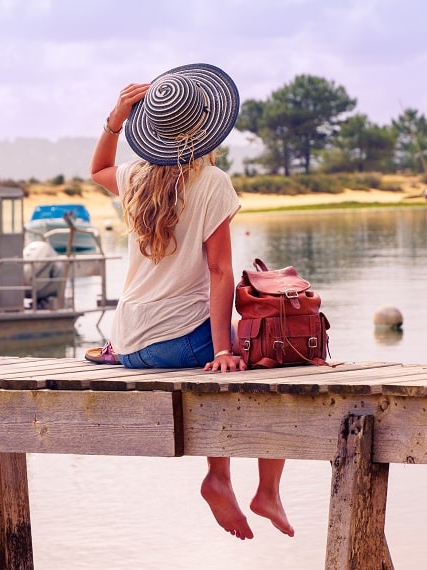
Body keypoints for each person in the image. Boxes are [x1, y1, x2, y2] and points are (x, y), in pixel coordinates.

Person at [87, 63, 293, 540]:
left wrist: (114, 119)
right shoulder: (212, 183)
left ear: (153, 130)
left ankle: (228, 478)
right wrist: (225, 349)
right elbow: (221, 272)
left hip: (131, 345)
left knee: (238, 351)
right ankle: (254, 488)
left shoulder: (136, 175)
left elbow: (97, 168)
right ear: (203, 126)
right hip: (179, 342)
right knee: (271, 359)